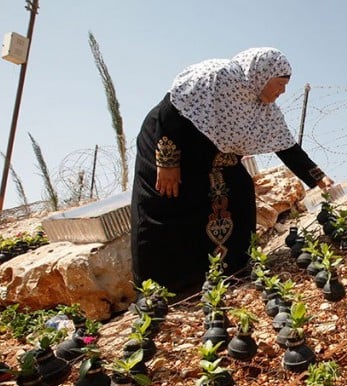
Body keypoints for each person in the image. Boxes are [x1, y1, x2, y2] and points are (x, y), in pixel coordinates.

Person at [131, 47, 333, 293]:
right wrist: (167, 161)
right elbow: (170, 110)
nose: (282, 91)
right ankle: (162, 288)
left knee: (238, 192)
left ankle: (231, 268)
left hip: (213, 158)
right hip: (169, 146)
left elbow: (286, 146)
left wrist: (318, 177)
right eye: (279, 84)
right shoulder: (214, 77)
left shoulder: (263, 108)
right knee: (168, 204)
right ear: (261, 75)